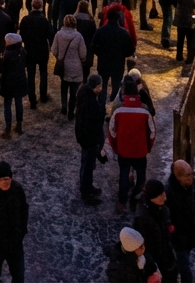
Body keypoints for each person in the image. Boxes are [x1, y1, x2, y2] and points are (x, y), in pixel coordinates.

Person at [109, 76, 156, 213]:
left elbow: (111, 131)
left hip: (123, 151)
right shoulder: (145, 112)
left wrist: (116, 147)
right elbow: (152, 132)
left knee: (123, 176)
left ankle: (122, 200)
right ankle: (135, 196)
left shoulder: (118, 111)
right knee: (141, 176)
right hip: (140, 152)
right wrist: (147, 146)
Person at [133, 180, 178, 283]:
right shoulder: (142, 218)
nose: (165, 197)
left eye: (164, 193)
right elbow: (143, 245)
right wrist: (151, 267)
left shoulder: (161, 208)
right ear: (151, 197)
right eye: (160, 195)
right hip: (155, 261)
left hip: (165, 254)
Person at [165, 160, 195, 283]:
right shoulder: (169, 192)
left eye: (191, 173)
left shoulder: (191, 183)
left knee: (184, 259)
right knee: (185, 266)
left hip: (191, 232)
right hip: (179, 237)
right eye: (188, 175)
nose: (191, 177)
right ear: (178, 176)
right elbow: (167, 218)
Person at [92, 6, 136, 104]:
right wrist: (122, 55)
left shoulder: (101, 31)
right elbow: (130, 49)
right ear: (118, 18)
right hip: (118, 64)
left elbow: (93, 46)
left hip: (103, 62)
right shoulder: (123, 33)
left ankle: (101, 105)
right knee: (116, 86)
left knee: (102, 85)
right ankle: (114, 103)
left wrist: (100, 54)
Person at [75, 74, 106, 205]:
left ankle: (87, 187)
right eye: (100, 86)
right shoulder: (91, 102)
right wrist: (96, 141)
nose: (101, 88)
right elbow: (92, 124)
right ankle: (86, 192)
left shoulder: (84, 93)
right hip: (89, 139)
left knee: (86, 165)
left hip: (84, 137)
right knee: (87, 166)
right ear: (96, 87)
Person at [51, 14, 87, 120]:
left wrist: (59, 57)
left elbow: (53, 50)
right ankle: (71, 111)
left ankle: (64, 105)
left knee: (64, 86)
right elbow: (83, 54)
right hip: (76, 67)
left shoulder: (58, 35)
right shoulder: (78, 36)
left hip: (63, 67)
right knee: (73, 91)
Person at [17, 0, 51, 109]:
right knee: (43, 73)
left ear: (32, 6)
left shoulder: (25, 20)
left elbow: (21, 36)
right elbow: (49, 36)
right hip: (42, 50)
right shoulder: (44, 21)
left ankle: (32, 99)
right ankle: (43, 95)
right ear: (41, 7)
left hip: (29, 50)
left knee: (31, 75)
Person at [0, 33, 27, 139]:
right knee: (18, 102)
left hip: (8, 83)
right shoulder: (22, 52)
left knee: (7, 105)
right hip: (20, 81)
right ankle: (19, 125)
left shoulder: (7, 54)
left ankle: (8, 128)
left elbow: (3, 69)